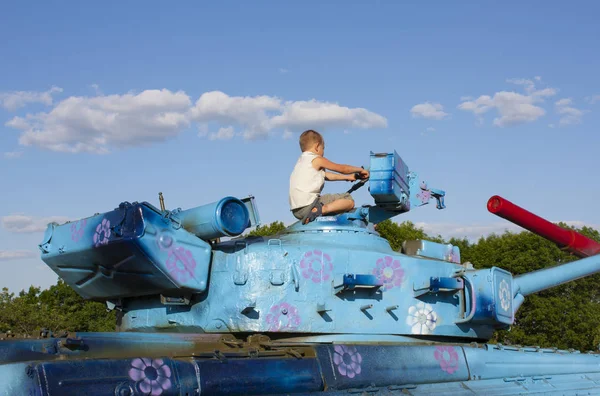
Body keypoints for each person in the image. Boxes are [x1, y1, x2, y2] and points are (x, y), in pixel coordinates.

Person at [289, 129, 369, 224]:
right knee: (348, 200)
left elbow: (327, 176)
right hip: (310, 206)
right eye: (323, 148)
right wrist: (360, 170)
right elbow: (342, 168)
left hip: (297, 210)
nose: (323, 152)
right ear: (317, 146)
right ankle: (321, 210)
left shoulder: (301, 162)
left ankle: (317, 211)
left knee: (332, 202)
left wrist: (349, 177)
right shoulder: (316, 159)